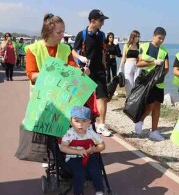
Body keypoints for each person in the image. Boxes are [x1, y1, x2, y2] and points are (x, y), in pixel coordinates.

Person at [72, 9, 112, 137]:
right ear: (93, 21)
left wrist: (105, 66)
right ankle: (81, 123)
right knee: (83, 99)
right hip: (86, 71)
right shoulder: (82, 34)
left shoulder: (102, 35)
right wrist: (80, 58)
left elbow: (102, 52)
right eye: (101, 21)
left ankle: (101, 125)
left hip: (99, 70)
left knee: (103, 97)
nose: (103, 23)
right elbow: (73, 52)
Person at [59, 106, 107, 195]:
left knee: (96, 169)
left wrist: (94, 149)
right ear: (71, 122)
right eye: (77, 121)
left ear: (89, 122)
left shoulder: (90, 133)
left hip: (89, 156)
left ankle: (99, 193)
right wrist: (78, 152)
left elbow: (102, 145)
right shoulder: (70, 134)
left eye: (84, 121)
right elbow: (63, 147)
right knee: (79, 172)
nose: (80, 124)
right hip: (73, 158)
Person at [135, 27, 169, 141]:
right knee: (149, 105)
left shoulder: (164, 51)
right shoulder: (144, 47)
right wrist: (153, 62)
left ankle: (154, 131)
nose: (161, 41)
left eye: (163, 39)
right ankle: (140, 120)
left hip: (158, 83)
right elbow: (138, 63)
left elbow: (166, 67)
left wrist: (161, 76)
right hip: (146, 81)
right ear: (154, 36)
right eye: (159, 38)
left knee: (157, 106)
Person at [26, 13, 78, 86]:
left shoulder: (66, 48)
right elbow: (32, 75)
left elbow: (73, 67)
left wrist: (82, 71)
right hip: (41, 95)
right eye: (59, 32)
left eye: (63, 32)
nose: (62, 35)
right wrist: (52, 73)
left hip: (61, 94)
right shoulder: (33, 49)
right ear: (48, 32)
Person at [118, 30, 141, 97]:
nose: (137, 38)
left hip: (137, 65)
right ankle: (128, 100)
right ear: (132, 37)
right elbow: (123, 57)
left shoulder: (139, 46)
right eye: (136, 36)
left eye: (138, 37)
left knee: (136, 84)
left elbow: (140, 57)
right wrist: (120, 68)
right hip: (128, 65)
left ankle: (135, 101)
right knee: (129, 85)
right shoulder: (126, 45)